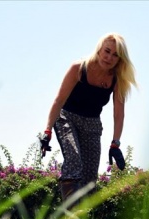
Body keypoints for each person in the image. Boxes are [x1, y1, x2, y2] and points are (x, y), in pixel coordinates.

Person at [41, 33, 137, 205]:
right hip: (66, 117)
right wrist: (47, 130)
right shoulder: (78, 68)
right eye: (107, 51)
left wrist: (116, 143)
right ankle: (71, 216)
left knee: (90, 178)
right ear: (99, 49)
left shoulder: (117, 80)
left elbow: (119, 114)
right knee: (73, 159)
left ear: (120, 59)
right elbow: (59, 100)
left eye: (115, 55)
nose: (109, 57)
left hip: (92, 123)